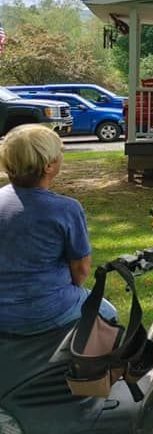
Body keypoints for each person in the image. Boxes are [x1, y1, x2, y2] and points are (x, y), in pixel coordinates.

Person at [0, 124, 116, 335]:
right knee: (108, 314)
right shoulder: (66, 209)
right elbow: (81, 271)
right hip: (45, 311)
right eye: (59, 152)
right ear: (49, 166)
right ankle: (105, 368)